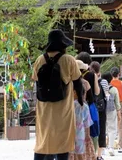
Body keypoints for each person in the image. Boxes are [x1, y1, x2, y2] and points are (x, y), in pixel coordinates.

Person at [32, 29, 82, 160]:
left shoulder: (39, 60)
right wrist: (81, 100)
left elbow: (37, 82)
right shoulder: (69, 60)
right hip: (63, 108)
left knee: (43, 141)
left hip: (44, 108)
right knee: (63, 142)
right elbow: (78, 83)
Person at [76, 52, 100, 154]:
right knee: (91, 132)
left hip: (73, 107)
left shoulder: (73, 76)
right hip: (88, 106)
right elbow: (96, 92)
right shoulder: (92, 75)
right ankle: (92, 153)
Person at [70, 78, 94, 160]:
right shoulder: (85, 106)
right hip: (80, 134)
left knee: (71, 155)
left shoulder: (70, 105)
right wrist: (87, 135)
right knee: (80, 154)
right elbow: (87, 123)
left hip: (70, 134)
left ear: (74, 92)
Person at [89, 61, 108, 160]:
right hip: (100, 109)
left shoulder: (87, 78)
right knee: (101, 131)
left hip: (90, 108)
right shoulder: (103, 82)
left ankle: (91, 153)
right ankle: (99, 155)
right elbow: (105, 95)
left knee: (91, 131)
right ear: (99, 70)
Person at [109, 67, 122, 153]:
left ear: (111, 75)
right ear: (118, 74)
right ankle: (121, 145)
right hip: (121, 104)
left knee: (111, 125)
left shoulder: (109, 84)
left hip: (112, 104)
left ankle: (110, 146)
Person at [101, 72, 120, 157]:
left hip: (101, 110)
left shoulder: (100, 88)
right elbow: (117, 103)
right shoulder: (114, 89)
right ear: (111, 79)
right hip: (112, 110)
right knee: (112, 129)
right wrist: (119, 112)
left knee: (102, 129)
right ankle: (111, 148)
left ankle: (102, 148)